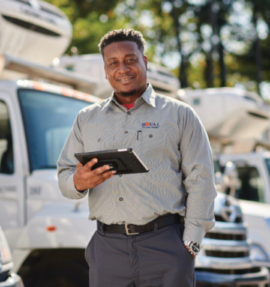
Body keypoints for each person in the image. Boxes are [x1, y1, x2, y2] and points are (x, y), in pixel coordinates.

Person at [57, 28, 217, 287]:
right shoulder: (86, 119)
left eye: (130, 59)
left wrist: (191, 242)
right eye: (113, 62)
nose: (123, 68)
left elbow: (202, 179)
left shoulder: (180, 115)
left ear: (144, 62)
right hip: (107, 250)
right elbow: (64, 174)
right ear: (106, 70)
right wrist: (78, 182)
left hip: (166, 246)